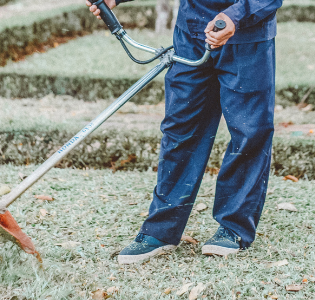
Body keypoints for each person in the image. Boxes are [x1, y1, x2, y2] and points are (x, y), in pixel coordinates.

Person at [86, 0, 283, 264]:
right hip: (191, 34)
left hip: (247, 36)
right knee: (180, 129)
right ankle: (160, 232)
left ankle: (234, 228)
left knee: (248, 133)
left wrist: (235, 16)